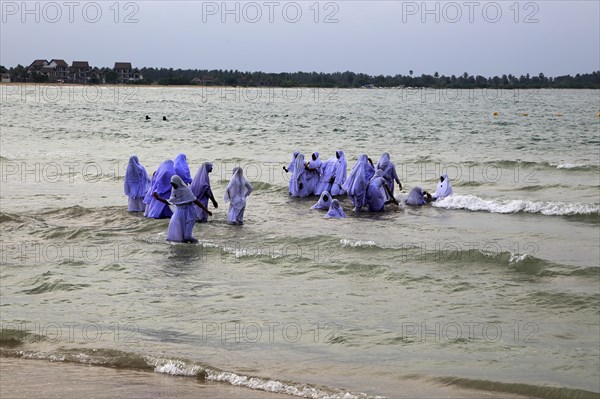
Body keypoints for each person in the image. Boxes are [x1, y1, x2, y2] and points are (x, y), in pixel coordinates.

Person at [161, 175, 212, 243]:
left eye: (174, 184)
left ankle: (198, 244)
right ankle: (185, 249)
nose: (173, 186)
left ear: (178, 182)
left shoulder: (186, 190)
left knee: (187, 236)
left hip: (189, 212)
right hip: (179, 212)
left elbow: (195, 201)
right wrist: (158, 198)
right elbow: (170, 201)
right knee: (178, 234)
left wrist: (206, 210)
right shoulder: (174, 191)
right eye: (172, 184)